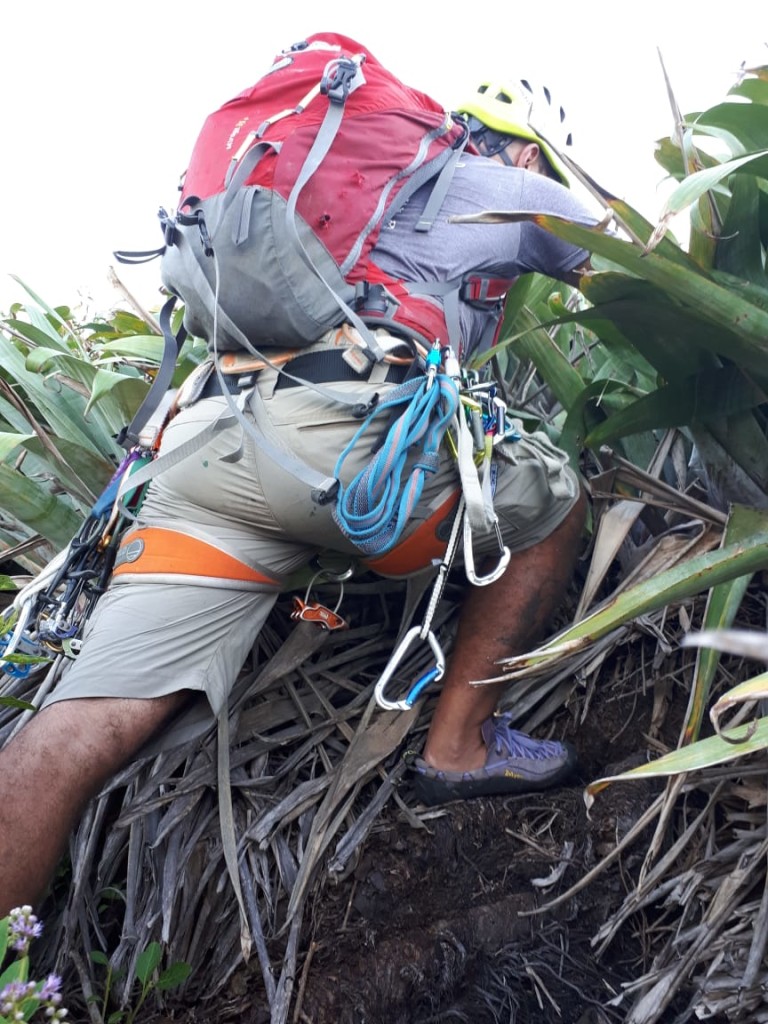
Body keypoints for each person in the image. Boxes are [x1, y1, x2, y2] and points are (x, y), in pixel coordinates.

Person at [0, 69, 597, 914]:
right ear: (529, 150)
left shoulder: (345, 183)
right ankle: (459, 747)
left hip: (204, 451)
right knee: (555, 501)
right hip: (344, 450)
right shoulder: (517, 189)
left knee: (73, 733)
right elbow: (642, 277)